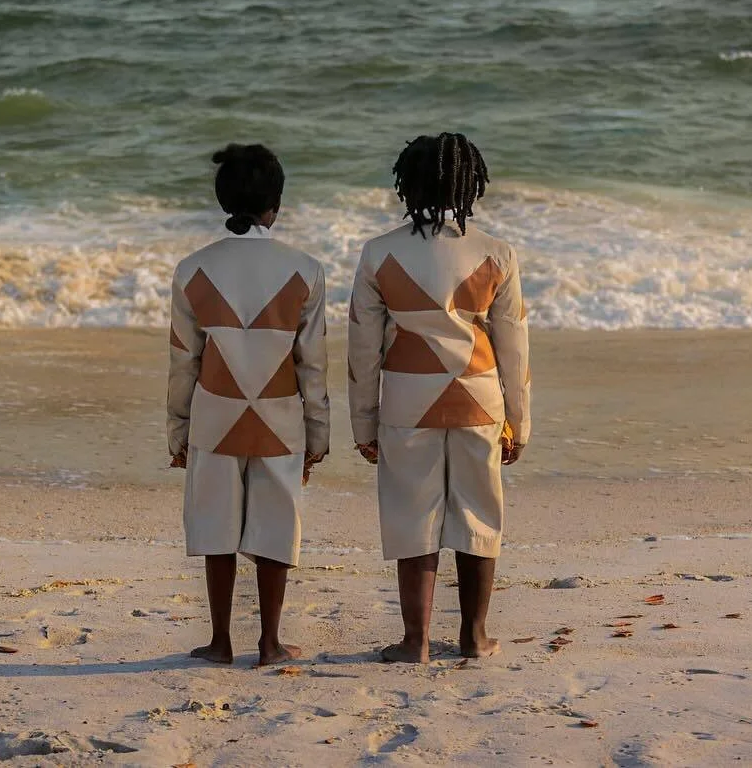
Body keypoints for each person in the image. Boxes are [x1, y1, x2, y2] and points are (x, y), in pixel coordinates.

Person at [347, 132, 531, 663]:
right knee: (480, 515)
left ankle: (416, 640)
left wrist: (365, 425)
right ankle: (474, 636)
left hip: (407, 399)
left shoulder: (379, 253)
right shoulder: (497, 253)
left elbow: (362, 348)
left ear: (408, 185)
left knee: (412, 515)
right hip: (479, 398)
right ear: (470, 183)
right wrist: (518, 423)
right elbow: (514, 348)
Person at [167, 143, 329, 666]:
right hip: (280, 415)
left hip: (214, 413)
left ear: (222, 201)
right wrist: (318, 435)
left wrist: (177, 431)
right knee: (276, 526)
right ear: (274, 206)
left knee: (216, 526)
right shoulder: (305, 271)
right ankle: (270, 642)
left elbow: (184, 362)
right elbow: (312, 364)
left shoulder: (192, 270)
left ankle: (219, 641)